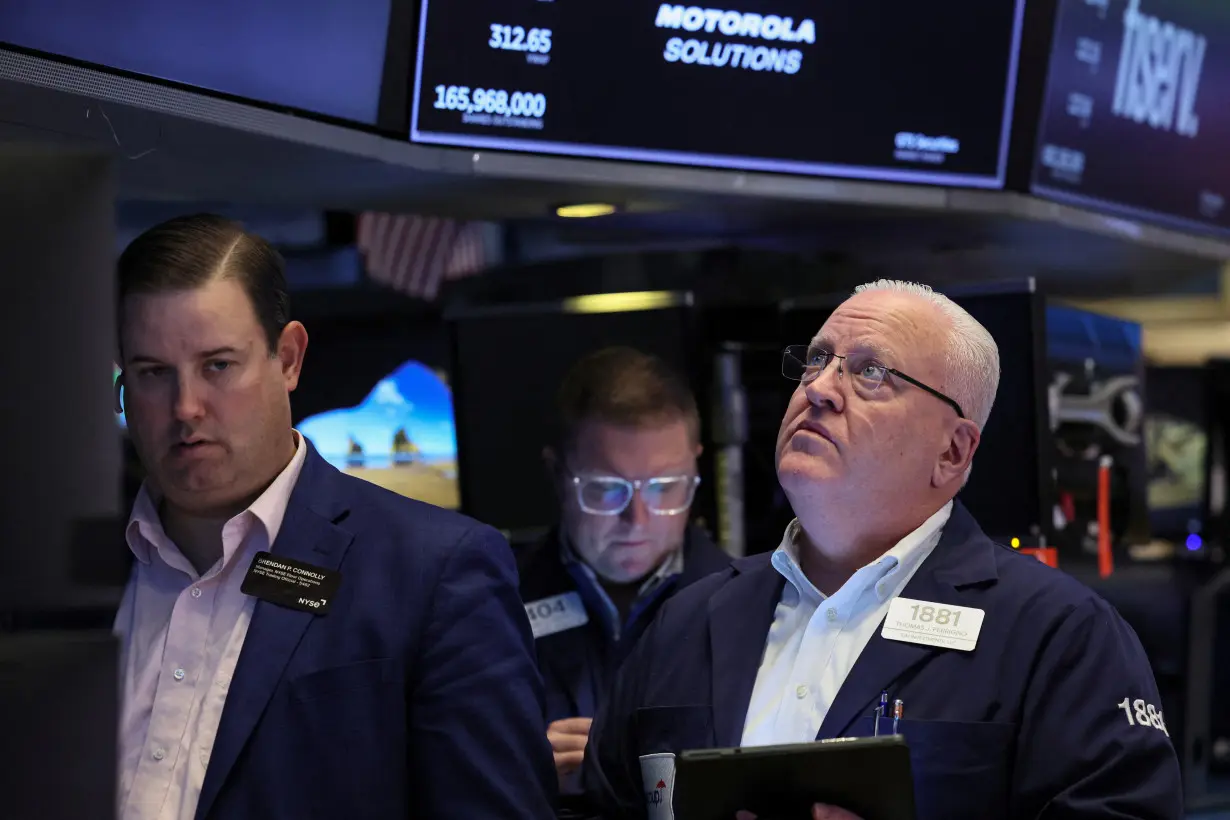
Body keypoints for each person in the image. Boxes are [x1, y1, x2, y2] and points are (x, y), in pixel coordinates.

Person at [581, 281, 1183, 819]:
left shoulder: (1060, 635)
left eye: (870, 372)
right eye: (817, 360)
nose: (819, 389)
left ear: (953, 451)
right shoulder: (684, 622)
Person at [112, 214, 556, 820]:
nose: (186, 407)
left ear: (289, 358)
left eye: (218, 365)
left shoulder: (432, 573)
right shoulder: (53, 578)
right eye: (152, 373)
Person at [517, 347, 731, 793]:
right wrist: (512, 765)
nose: (638, 518)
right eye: (606, 489)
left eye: (665, 487)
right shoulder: (494, 607)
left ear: (695, 465)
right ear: (557, 474)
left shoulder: (750, 610)